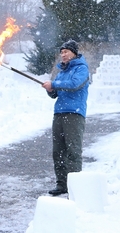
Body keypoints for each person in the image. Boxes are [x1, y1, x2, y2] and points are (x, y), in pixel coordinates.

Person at [42, 40, 89, 196]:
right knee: (58, 151)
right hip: (59, 114)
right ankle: (61, 184)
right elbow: (55, 94)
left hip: (74, 114)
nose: (63, 54)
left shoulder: (82, 69)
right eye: (61, 52)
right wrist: (49, 89)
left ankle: (75, 188)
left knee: (73, 151)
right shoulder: (62, 72)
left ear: (74, 53)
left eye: (66, 51)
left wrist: (54, 84)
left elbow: (74, 84)